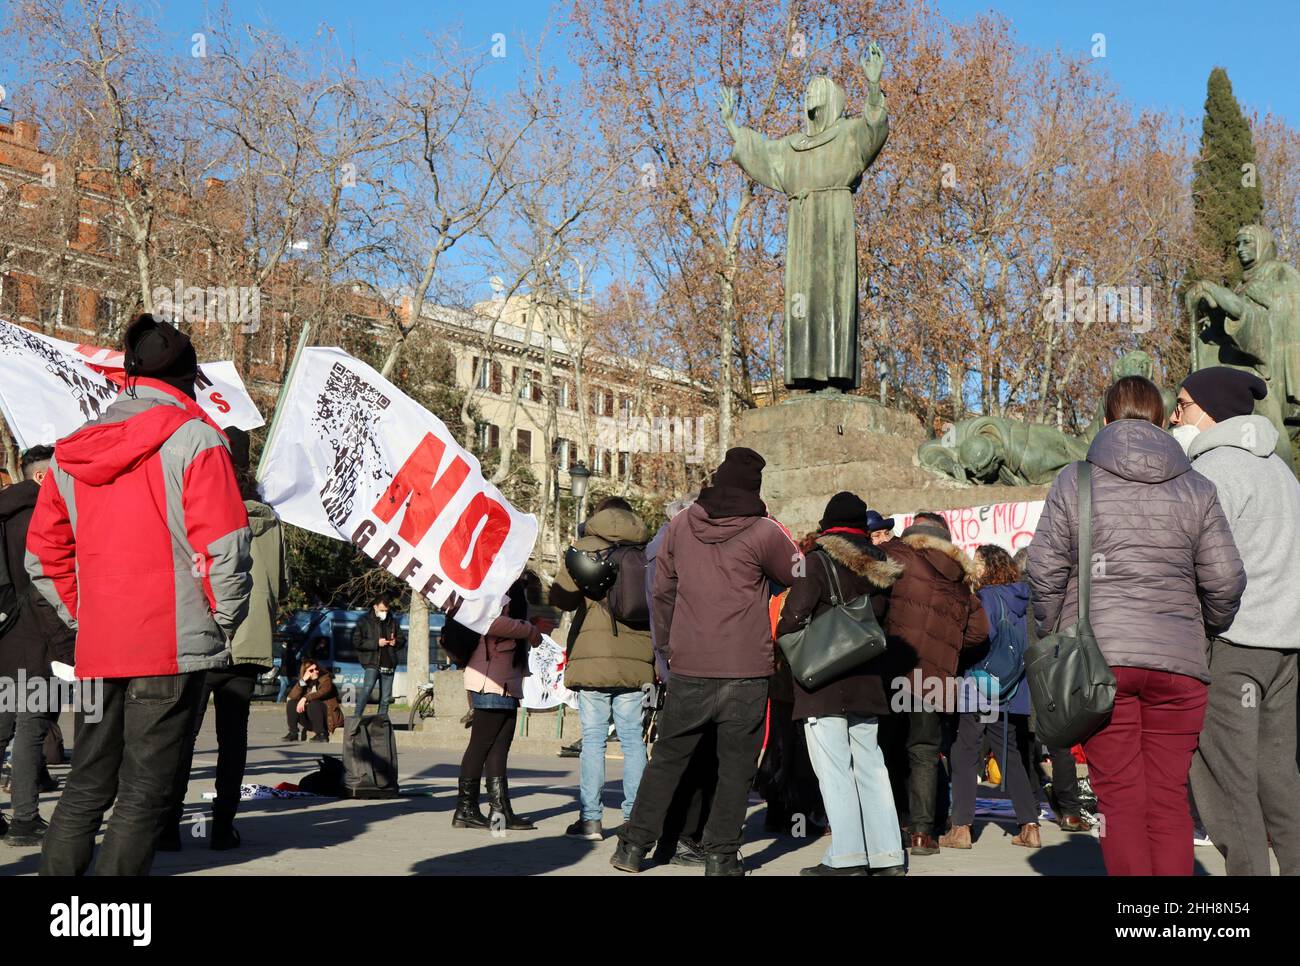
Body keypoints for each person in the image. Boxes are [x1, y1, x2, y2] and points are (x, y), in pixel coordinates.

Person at [26, 314, 252, 876]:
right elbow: (225, 546)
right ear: (188, 379)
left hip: (103, 643)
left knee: (86, 785)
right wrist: (221, 621)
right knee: (145, 794)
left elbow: (44, 557)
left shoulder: (69, 455)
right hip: (170, 645)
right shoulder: (199, 440)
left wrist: (85, 617)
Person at [1029, 374, 1245, 876]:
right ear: (1159, 420)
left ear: (1106, 420)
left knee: (1121, 801)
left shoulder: (1076, 480)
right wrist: (1201, 629)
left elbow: (1043, 572)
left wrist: (1056, 631)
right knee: (1169, 800)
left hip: (1101, 663)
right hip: (1180, 667)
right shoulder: (1197, 487)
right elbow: (1227, 580)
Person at [611, 447, 800, 876]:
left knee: (667, 758)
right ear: (755, 488)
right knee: (735, 767)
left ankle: (632, 848)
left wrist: (667, 652)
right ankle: (720, 857)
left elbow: (661, 594)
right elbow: (800, 572)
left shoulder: (680, 525)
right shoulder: (764, 531)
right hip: (746, 668)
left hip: (689, 664)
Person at [1175, 367, 1300, 875]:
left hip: (1235, 643)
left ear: (1207, 409)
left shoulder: (1214, 472)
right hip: (1286, 647)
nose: (1175, 414)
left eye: (1181, 404)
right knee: (1279, 778)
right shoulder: (1282, 472)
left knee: (1228, 781)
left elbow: (1201, 565)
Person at [164, 427, 287, 851]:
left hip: (204, 636)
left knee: (184, 736)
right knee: (233, 741)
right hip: (249, 646)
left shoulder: (201, 508)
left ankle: (168, 826)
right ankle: (222, 828)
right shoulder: (272, 522)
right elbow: (281, 585)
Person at [775, 493, 906, 876]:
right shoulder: (881, 566)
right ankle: (887, 856)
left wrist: (787, 637)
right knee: (871, 767)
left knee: (834, 769)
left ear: (827, 526)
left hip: (824, 683)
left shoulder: (815, 562)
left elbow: (793, 617)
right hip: (867, 679)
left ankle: (847, 856)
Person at [880, 511, 988, 856]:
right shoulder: (961, 577)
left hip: (895, 670)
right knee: (925, 752)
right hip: (937, 678)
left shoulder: (897, 556)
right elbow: (980, 632)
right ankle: (923, 834)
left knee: (888, 750)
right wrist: (949, 646)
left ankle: (891, 825)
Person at [549, 496, 654, 842]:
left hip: (592, 659)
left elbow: (560, 599)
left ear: (598, 515)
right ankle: (634, 819)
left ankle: (591, 820)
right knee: (632, 740)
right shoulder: (647, 550)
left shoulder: (582, 548)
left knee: (593, 740)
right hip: (637, 659)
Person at [941, 544, 1040, 851]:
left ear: (988, 568)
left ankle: (961, 828)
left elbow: (980, 638)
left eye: (978, 563)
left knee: (965, 753)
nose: (974, 566)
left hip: (980, 687)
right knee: (1010, 756)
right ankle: (1030, 826)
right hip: (1010, 688)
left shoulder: (985, 598)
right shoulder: (1021, 598)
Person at [0, 445, 74, 847]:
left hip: (5, 636)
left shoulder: (3, 511)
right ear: (44, 477)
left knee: (1, 726)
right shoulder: (43, 516)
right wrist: (66, 647)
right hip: (40, 637)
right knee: (32, 727)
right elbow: (48, 588)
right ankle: (25, 820)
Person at [644, 493, 716, 868]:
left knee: (683, 756)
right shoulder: (669, 553)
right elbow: (665, 613)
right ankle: (682, 837)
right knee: (689, 757)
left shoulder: (661, 549)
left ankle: (675, 837)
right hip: (685, 667)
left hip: (679, 665)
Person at [453, 576, 543, 831]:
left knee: (500, 745)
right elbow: (490, 622)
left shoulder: (510, 582)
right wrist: (529, 630)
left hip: (505, 676)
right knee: (480, 745)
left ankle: (500, 810)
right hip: (490, 676)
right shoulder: (492, 582)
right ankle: (466, 809)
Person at [1012, 547, 1091, 833]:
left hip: (1022, 677)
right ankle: (1069, 811)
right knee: (1060, 747)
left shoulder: (1014, 597)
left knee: (1025, 745)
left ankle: (1031, 807)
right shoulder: (1060, 596)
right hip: (1054, 675)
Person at [353, 595, 402, 717]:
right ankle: (356, 718)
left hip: (389, 663)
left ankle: (381, 724)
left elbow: (402, 639)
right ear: (375, 607)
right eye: (382, 610)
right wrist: (376, 643)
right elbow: (357, 642)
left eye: (386, 610)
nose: (384, 613)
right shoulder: (364, 621)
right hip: (372, 662)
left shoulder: (392, 622)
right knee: (367, 689)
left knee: (385, 698)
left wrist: (396, 642)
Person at [285, 659, 344, 742]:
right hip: (311, 720)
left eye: (316, 669)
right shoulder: (305, 682)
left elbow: (323, 692)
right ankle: (293, 732)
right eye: (311, 670)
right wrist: (303, 681)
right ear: (305, 672)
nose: (315, 671)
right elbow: (292, 696)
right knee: (292, 703)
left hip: (327, 720)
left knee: (314, 703)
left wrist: (305, 698)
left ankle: (322, 734)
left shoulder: (325, 679)